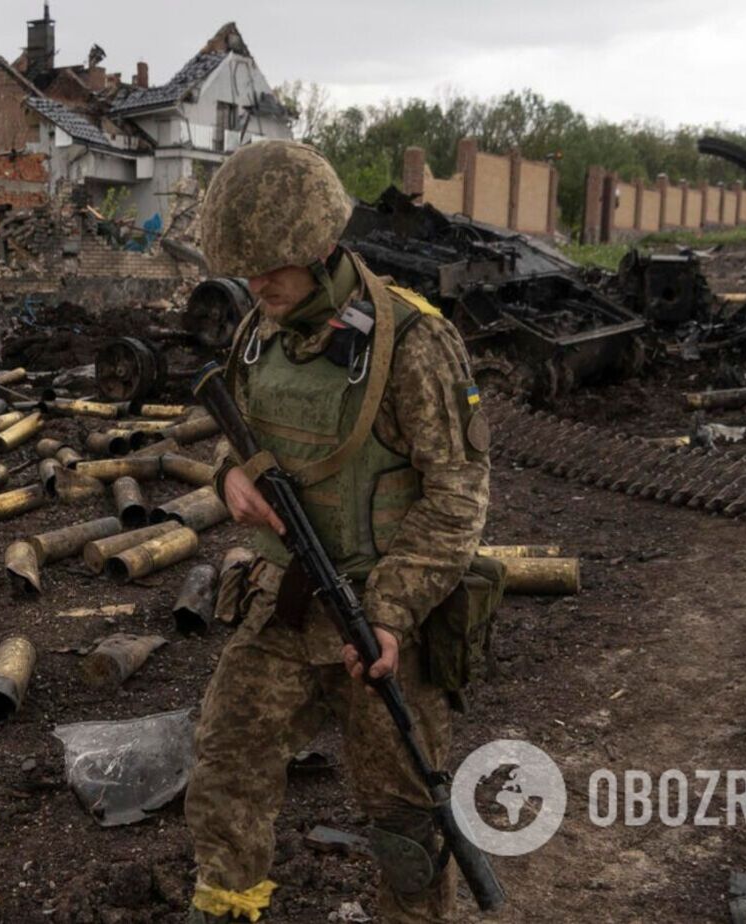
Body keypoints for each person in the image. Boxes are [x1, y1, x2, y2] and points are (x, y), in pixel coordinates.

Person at [183, 140, 494, 924]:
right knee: (225, 776)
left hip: (380, 623)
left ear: (322, 247)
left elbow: (458, 494)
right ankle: (225, 910)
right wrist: (229, 476)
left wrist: (390, 610)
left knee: (404, 821)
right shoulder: (259, 331)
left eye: (273, 268)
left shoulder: (412, 344)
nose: (257, 286)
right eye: (245, 271)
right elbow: (237, 436)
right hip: (279, 604)